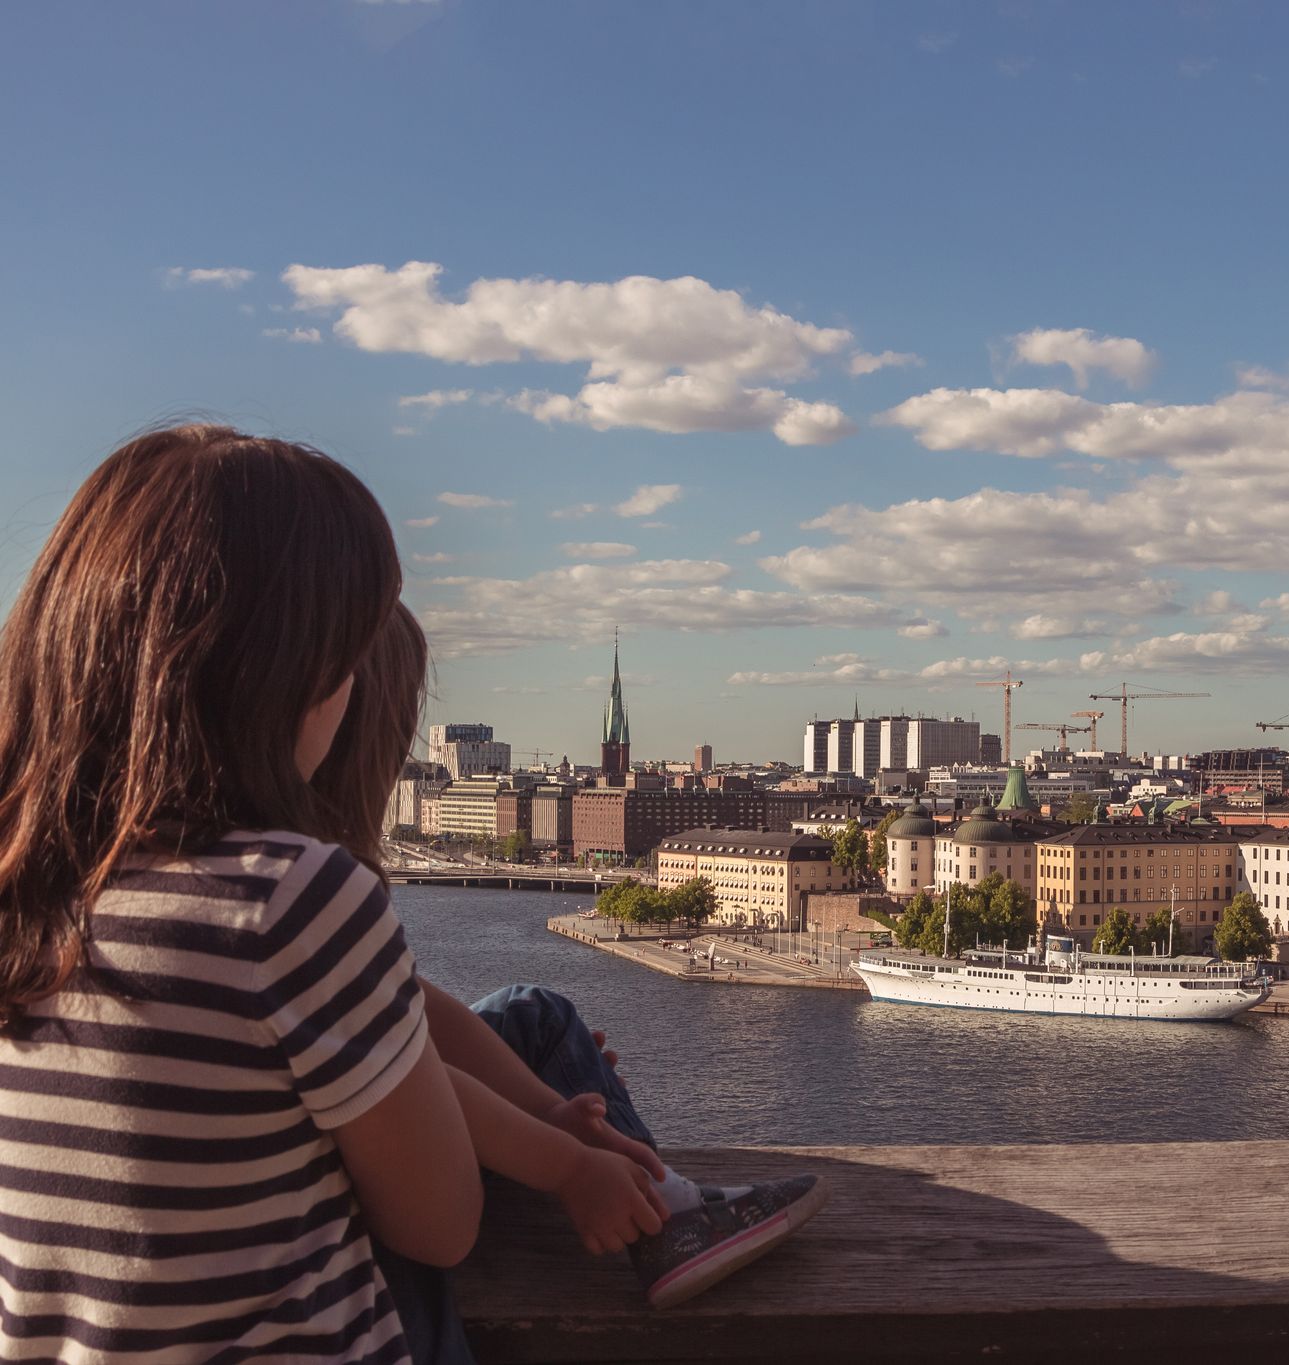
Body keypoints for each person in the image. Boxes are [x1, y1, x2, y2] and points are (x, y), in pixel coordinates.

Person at [0, 427, 824, 1365]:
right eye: (344, 660)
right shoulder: (286, 901)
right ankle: (668, 1210)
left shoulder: (37, 886)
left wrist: (536, 1124)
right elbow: (441, 1226)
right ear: (281, 678)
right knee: (530, 1026)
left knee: (522, 1017)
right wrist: (549, 1152)